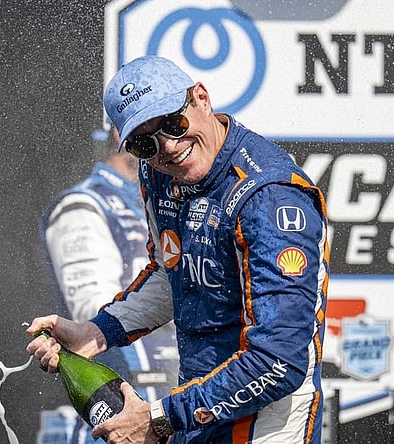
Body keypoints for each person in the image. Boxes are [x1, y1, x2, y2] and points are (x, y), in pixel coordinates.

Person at [27, 55, 330, 443]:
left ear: (201, 98)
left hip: (266, 428)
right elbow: (173, 275)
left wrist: (157, 418)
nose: (168, 147)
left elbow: (279, 361)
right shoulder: (158, 170)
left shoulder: (268, 197)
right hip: (196, 415)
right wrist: (95, 333)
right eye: (143, 142)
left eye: (174, 123)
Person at [37, 126, 179, 444]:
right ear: (119, 136)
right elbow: (94, 310)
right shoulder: (81, 204)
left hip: (166, 411)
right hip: (113, 412)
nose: (167, 145)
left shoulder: (161, 202)